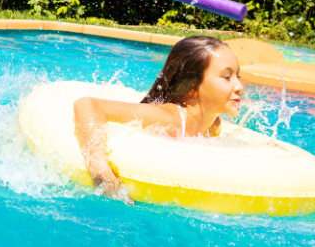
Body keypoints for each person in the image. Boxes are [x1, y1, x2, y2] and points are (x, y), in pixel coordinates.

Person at [73, 36, 245, 201]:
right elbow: (87, 105)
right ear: (192, 87)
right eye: (227, 77)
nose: (239, 86)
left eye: (238, 76)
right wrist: (100, 170)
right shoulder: (168, 119)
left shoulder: (213, 125)